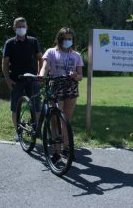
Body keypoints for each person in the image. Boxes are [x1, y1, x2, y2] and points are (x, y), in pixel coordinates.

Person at [39, 27, 83, 162]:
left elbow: (81, 75)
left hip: (71, 88)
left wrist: (75, 75)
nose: (67, 41)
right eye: (65, 38)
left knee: (66, 121)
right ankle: (56, 152)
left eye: (70, 39)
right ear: (59, 39)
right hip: (56, 87)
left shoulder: (77, 55)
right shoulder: (51, 52)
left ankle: (66, 148)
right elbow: (45, 66)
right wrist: (41, 76)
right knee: (55, 120)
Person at [2, 17, 43, 142]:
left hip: (32, 79)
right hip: (16, 80)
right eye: (19, 26)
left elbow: (41, 59)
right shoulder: (9, 43)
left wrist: (40, 74)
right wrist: (8, 80)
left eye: (23, 26)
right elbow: (4, 63)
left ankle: (37, 131)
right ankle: (18, 132)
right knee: (15, 108)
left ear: (27, 27)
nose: (21, 29)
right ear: (14, 28)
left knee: (36, 107)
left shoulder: (33, 41)